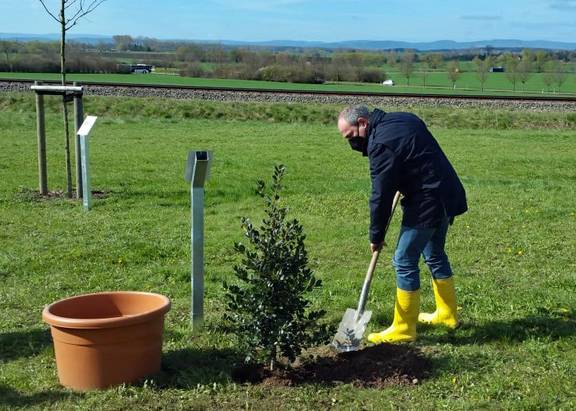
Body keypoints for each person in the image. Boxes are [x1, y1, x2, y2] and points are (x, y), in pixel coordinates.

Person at [337, 105, 467, 344]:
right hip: (447, 193)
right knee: (435, 253)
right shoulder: (403, 118)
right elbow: (415, 154)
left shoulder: (380, 145)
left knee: (404, 259)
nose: (352, 144)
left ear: (363, 123)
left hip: (428, 201)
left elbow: (380, 195)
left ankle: (404, 327)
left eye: (351, 137)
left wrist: (375, 235)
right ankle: (448, 315)